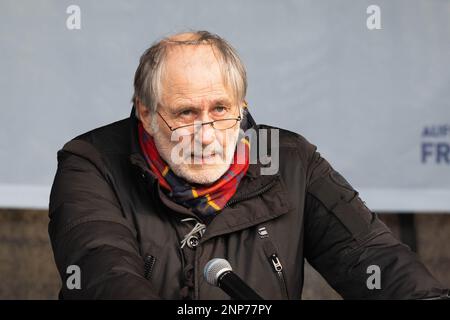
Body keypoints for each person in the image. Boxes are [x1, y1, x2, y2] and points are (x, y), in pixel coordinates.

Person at [49, 31, 447, 299]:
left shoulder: (288, 159)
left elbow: (371, 256)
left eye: (220, 109)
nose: (205, 135)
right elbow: (103, 271)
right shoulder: (91, 163)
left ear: (242, 107)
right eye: (185, 113)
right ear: (147, 113)